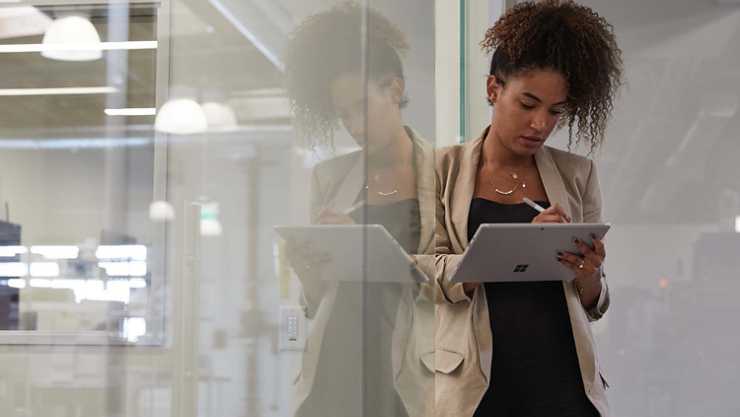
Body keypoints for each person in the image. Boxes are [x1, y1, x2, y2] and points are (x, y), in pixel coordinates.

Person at [434, 1, 623, 416]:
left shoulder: (578, 174)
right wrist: (512, 250)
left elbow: (594, 302)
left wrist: (588, 272)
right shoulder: (442, 168)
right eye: (528, 104)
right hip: (476, 385)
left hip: (564, 383)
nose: (541, 123)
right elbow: (421, 271)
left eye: (555, 111)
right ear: (493, 89)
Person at [283, 3, 434, 417]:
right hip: (337, 366)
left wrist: (365, 247)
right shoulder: (329, 179)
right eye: (343, 114)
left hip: (409, 370)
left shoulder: (445, 174)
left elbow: (453, 288)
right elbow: (319, 300)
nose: (353, 124)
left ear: (395, 91)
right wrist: (306, 271)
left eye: (361, 106)